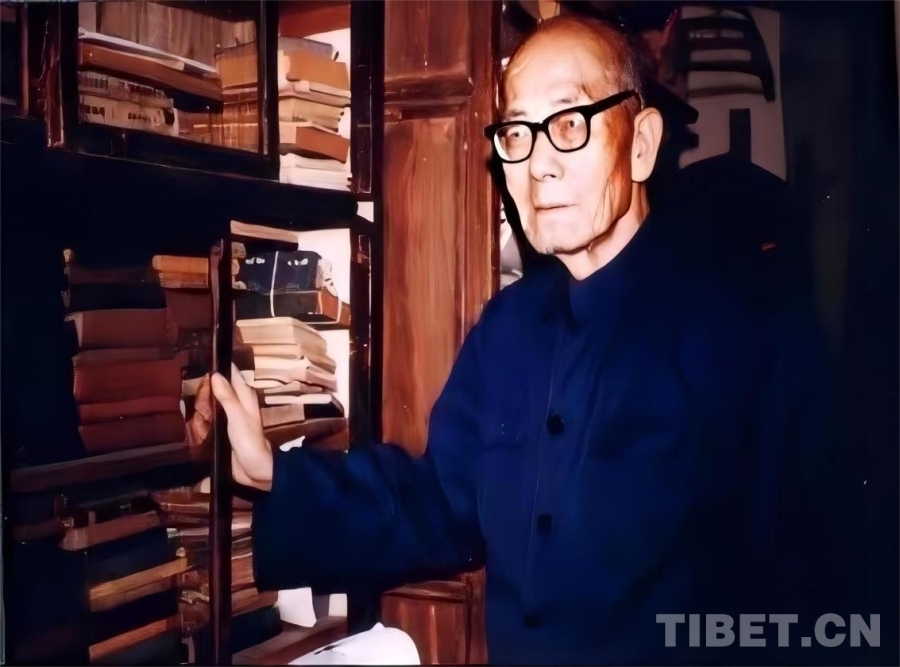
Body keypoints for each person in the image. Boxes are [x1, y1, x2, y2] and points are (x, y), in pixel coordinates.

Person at [194, 15, 811, 665]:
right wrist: (271, 471)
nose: (539, 164)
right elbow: (439, 502)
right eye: (518, 132)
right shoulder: (509, 326)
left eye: (569, 124)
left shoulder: (747, 329)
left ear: (641, 144)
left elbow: (805, 583)